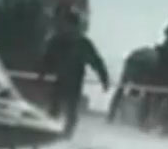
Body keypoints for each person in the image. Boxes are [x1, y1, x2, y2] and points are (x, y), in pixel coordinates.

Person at [40, 9, 109, 137]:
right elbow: (47, 59)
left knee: (71, 110)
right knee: (54, 108)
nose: (65, 27)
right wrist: (42, 74)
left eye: (68, 24)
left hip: (75, 80)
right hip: (60, 79)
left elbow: (96, 62)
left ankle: (67, 134)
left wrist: (104, 79)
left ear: (74, 25)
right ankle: (48, 132)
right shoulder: (57, 41)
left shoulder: (82, 43)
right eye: (64, 24)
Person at [107, 45, 158, 126]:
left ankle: (111, 115)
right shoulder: (153, 58)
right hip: (146, 65)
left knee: (121, 88)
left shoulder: (142, 55)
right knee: (149, 93)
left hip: (134, 63)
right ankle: (143, 119)